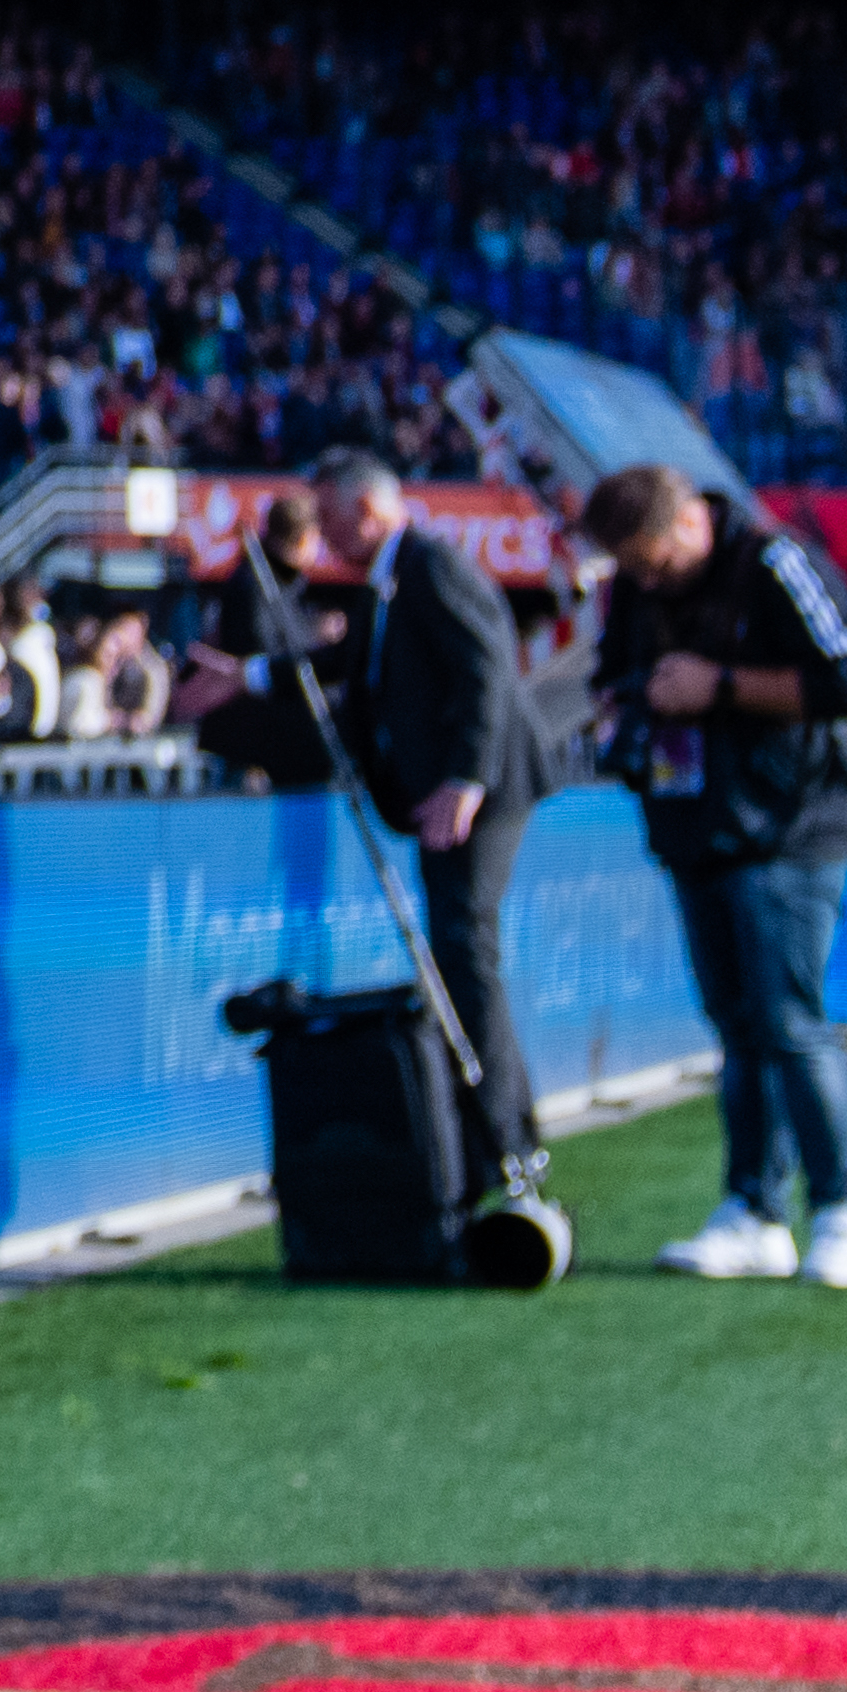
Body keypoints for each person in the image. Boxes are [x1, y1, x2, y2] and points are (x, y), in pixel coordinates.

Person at [579, 470, 847, 1291]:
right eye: (631, 570)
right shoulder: (629, 591)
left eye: (653, 562)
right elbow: (612, 673)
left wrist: (720, 686)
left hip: (789, 829)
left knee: (790, 1023)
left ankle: (841, 1210)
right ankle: (751, 1210)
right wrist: (633, 698)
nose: (646, 581)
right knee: (737, 1028)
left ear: (687, 522)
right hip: (693, 824)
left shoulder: (777, 562)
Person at [305, 447, 547, 1177]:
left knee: (465, 952)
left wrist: (465, 776)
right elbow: (360, 679)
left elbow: (485, 668)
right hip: (442, 791)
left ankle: (503, 1140)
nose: (321, 537)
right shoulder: (385, 587)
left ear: (368, 511)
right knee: (455, 954)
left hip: (475, 792)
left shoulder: (430, 566)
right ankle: (485, 1131)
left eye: (328, 519)